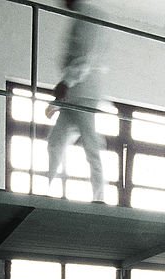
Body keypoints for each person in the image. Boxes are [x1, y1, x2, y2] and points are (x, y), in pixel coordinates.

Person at [46, 0, 106, 203]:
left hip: (84, 93)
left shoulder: (89, 18)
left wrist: (66, 82)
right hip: (74, 93)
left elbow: (85, 58)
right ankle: (46, 189)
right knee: (55, 142)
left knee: (90, 146)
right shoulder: (80, 18)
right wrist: (64, 89)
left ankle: (99, 197)